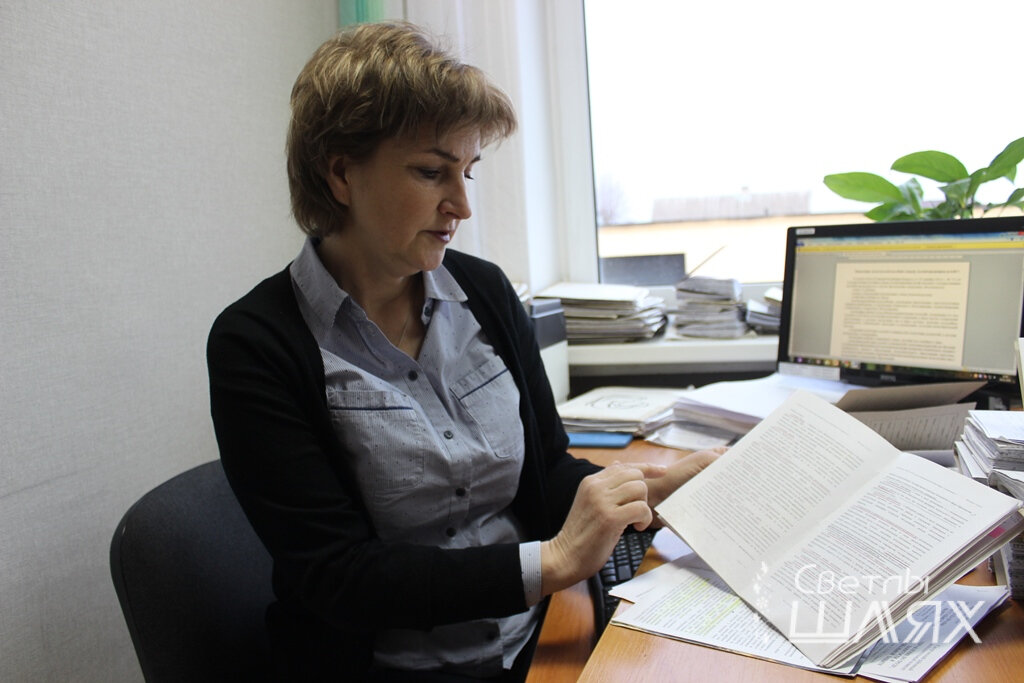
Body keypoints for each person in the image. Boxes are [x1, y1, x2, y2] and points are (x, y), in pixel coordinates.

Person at [207, 21, 718, 682]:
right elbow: (339, 577)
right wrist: (555, 561)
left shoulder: (485, 291)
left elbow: (543, 474)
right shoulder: (256, 344)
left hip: (532, 641)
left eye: (468, 171)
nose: (462, 205)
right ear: (340, 173)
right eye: (432, 172)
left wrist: (646, 490)